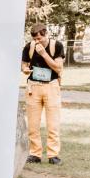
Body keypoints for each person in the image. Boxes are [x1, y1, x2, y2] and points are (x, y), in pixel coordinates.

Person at [22, 24, 64, 165]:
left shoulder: (56, 46)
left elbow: (58, 68)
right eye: (35, 39)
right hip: (33, 87)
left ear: (46, 34)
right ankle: (35, 154)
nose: (37, 41)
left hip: (51, 86)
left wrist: (44, 54)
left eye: (39, 38)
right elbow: (24, 64)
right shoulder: (29, 46)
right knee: (33, 124)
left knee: (53, 123)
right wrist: (25, 69)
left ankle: (53, 155)